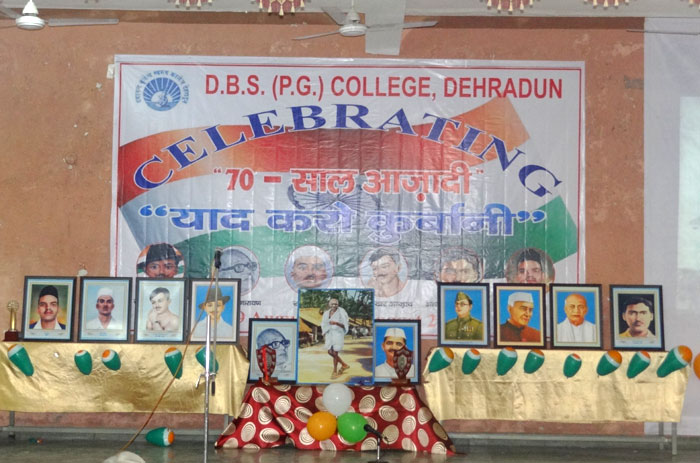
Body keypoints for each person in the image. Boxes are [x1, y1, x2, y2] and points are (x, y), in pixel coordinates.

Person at [321, 297, 350, 379]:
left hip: (338, 334)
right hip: (329, 334)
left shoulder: (342, 312)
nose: (334, 305)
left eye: (335, 304)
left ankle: (334, 371)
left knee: (335, 352)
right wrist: (324, 331)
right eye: (332, 304)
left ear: (338, 304)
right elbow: (324, 323)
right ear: (329, 304)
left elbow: (345, 325)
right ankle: (344, 364)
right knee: (330, 352)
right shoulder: (326, 313)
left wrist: (336, 323)